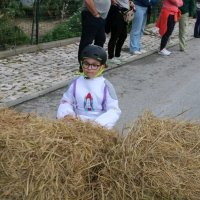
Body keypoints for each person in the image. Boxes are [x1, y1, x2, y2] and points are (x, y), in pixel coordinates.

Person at [57, 45, 121, 129]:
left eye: (94, 65)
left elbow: (114, 110)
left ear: (102, 66)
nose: (89, 68)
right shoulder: (75, 83)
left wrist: (97, 125)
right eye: (86, 64)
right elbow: (66, 102)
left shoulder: (106, 86)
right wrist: (67, 116)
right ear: (81, 63)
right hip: (75, 125)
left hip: (97, 127)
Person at [78, 0, 111, 72]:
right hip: (91, 14)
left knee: (101, 39)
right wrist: (95, 14)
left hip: (100, 17)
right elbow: (88, 1)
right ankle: (83, 67)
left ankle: (96, 63)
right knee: (87, 41)